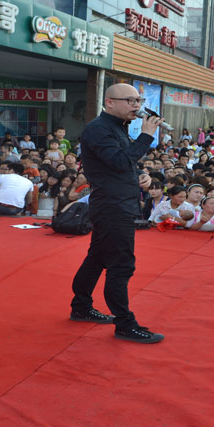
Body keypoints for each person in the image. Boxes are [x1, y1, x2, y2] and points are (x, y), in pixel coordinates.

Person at [69, 83, 165, 344]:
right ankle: (124, 323)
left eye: (138, 100)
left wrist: (140, 175)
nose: (137, 105)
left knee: (97, 258)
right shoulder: (99, 130)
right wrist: (146, 135)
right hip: (112, 207)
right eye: (130, 100)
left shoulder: (118, 127)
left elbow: (121, 165)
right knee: (121, 265)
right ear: (110, 102)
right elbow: (120, 161)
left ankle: (80, 306)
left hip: (116, 202)